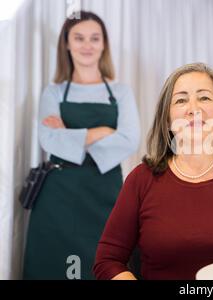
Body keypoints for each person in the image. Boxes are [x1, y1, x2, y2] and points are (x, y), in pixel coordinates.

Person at [93, 63, 213, 280]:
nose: (193, 108)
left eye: (204, 97)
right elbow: (108, 261)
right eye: (181, 100)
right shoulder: (141, 179)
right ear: (167, 119)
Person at [23, 11, 141, 280]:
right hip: (58, 197)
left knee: (106, 263)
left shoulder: (121, 92)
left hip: (106, 192)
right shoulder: (52, 92)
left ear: (104, 44)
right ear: (66, 43)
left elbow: (130, 139)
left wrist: (71, 135)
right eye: (79, 38)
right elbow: (48, 139)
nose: (87, 45)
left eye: (94, 38)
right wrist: (102, 131)